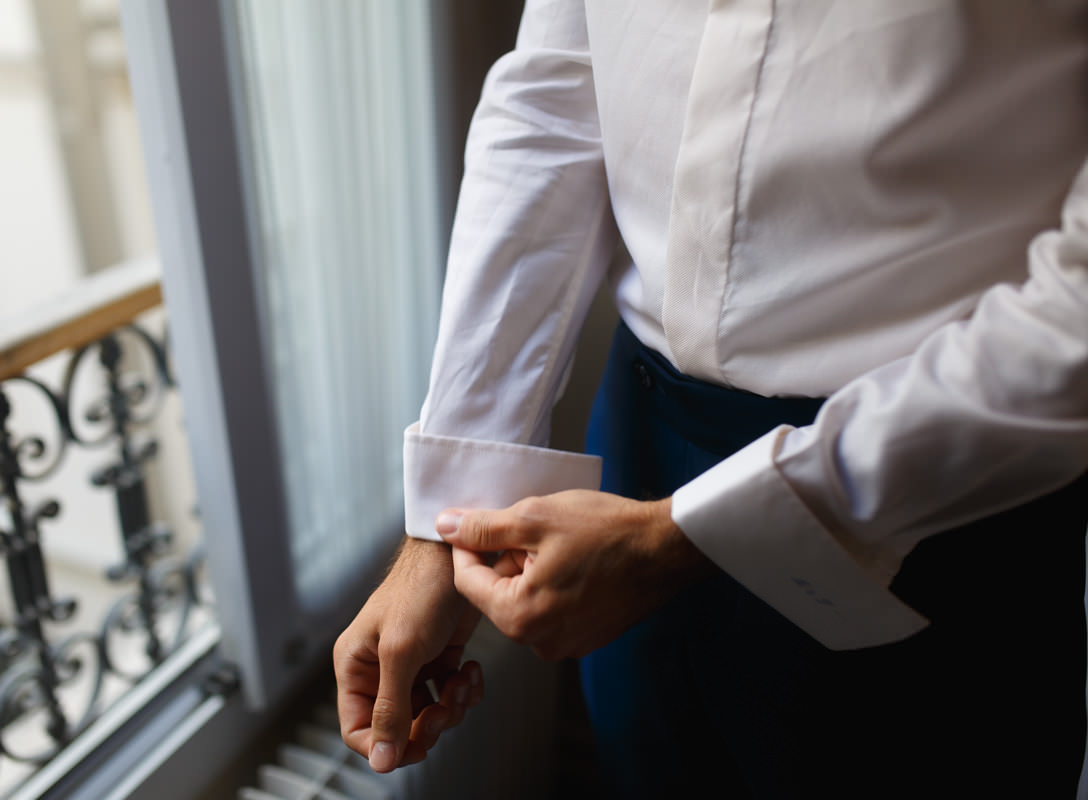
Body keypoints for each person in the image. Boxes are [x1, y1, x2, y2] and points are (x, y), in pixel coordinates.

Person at [334, 2, 1088, 796]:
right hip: (641, 449)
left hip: (938, 505)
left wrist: (684, 539)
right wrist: (445, 516)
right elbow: (557, 92)